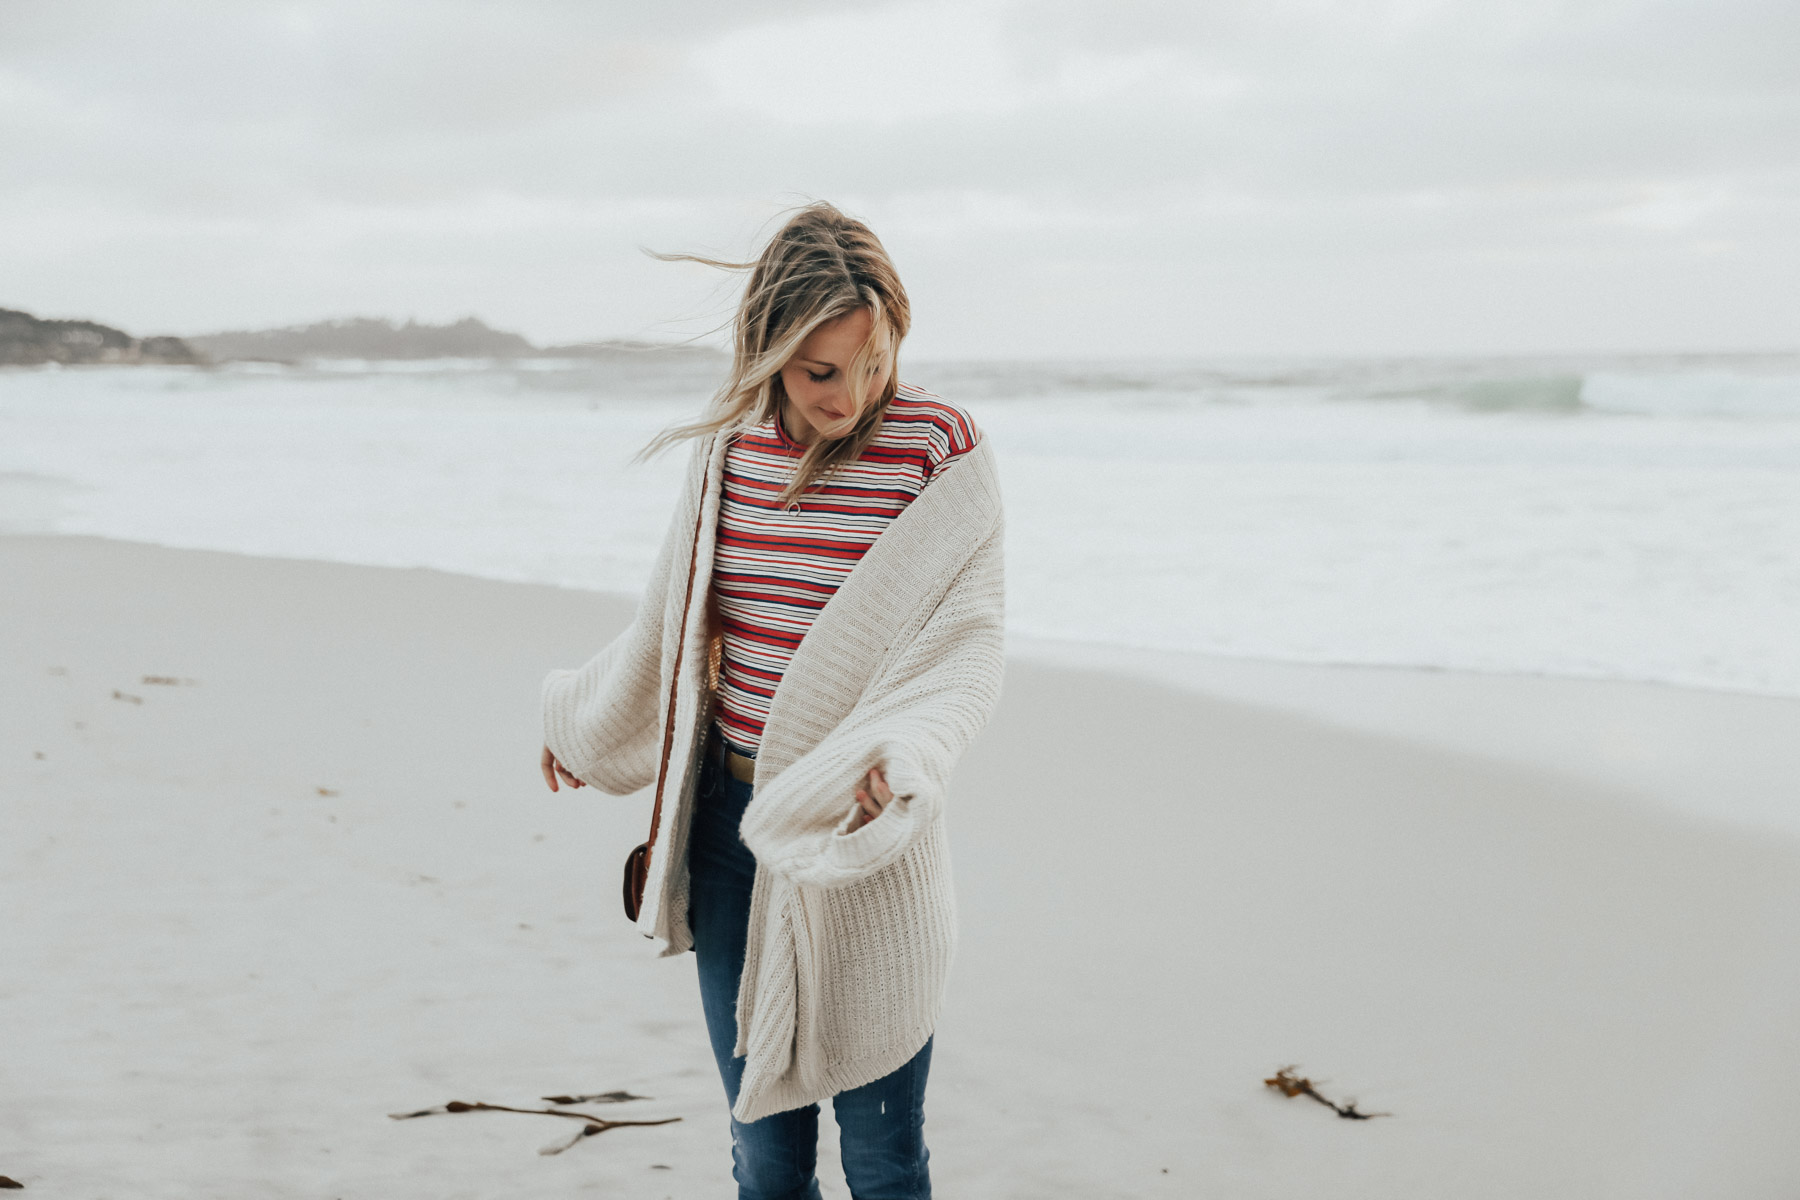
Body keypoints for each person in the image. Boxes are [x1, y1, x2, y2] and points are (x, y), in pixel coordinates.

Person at [537, 202, 1006, 1200]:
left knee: (884, 1161)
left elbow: (963, 647)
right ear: (768, 351)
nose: (850, 395)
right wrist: (576, 726)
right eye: (820, 371)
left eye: (871, 362)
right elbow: (669, 626)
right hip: (729, 835)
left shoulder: (939, 448)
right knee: (766, 1153)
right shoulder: (732, 450)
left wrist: (903, 761)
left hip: (868, 839)